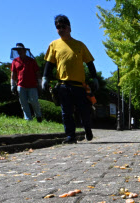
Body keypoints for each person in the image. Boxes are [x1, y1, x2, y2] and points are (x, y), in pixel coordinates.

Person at [42, 15, 99, 144]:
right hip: (63, 85)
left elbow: (90, 63)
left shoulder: (79, 45)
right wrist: (45, 77)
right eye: (58, 27)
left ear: (69, 28)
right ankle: (70, 136)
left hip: (79, 85)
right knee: (66, 112)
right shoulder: (54, 45)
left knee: (83, 110)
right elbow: (49, 64)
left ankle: (88, 130)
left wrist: (95, 78)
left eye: (63, 26)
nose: (61, 29)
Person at [10, 43, 43, 123]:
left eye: (20, 50)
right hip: (21, 85)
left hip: (32, 85)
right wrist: (12, 85)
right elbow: (13, 74)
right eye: (18, 50)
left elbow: (37, 73)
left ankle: (38, 116)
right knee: (23, 103)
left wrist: (40, 84)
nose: (19, 52)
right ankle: (28, 119)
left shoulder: (31, 61)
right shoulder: (15, 61)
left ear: (24, 50)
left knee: (34, 101)